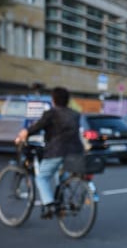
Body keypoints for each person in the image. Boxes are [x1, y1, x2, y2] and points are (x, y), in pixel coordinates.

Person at [14, 87, 84, 218]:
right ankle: (63, 201)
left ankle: (49, 204)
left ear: (53, 100)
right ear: (67, 101)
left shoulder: (51, 113)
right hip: (75, 151)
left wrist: (24, 134)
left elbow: (37, 126)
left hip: (57, 151)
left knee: (42, 177)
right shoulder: (75, 114)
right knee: (62, 175)